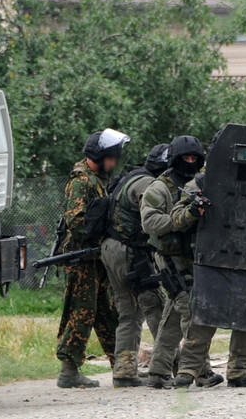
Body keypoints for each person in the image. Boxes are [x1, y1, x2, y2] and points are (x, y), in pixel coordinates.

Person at [140, 135, 223, 389]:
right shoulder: (159, 188)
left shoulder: (197, 184)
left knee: (174, 315)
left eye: (194, 158)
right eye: (185, 158)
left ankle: (158, 371)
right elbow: (149, 223)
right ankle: (201, 371)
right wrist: (182, 218)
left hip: (192, 257)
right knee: (190, 310)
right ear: (175, 159)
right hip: (168, 257)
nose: (190, 162)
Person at [170, 173, 246, 388]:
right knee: (203, 317)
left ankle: (239, 370)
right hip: (212, 256)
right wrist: (194, 210)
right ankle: (188, 370)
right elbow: (176, 217)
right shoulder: (202, 182)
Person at [56, 129, 129, 389]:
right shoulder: (81, 181)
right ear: (97, 156)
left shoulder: (100, 180)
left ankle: (122, 367)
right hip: (81, 260)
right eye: (111, 158)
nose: (114, 163)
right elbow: (75, 222)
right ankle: (68, 371)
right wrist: (99, 235)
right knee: (82, 312)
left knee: (107, 314)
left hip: (96, 259)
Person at [101, 144, 170, 388]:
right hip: (130, 252)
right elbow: (153, 218)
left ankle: (125, 370)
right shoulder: (147, 185)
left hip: (111, 249)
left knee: (128, 312)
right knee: (155, 306)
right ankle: (167, 367)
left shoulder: (132, 177)